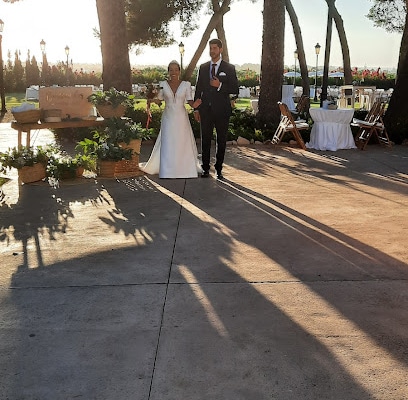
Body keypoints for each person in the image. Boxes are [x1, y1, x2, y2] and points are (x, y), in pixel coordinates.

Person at [139, 60, 202, 178]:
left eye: (176, 70)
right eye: (171, 70)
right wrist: (150, 98)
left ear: (179, 71)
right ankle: (167, 171)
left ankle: (185, 170)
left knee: (182, 141)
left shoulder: (186, 85)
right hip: (168, 116)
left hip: (181, 117)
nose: (173, 72)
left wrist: (196, 104)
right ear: (168, 71)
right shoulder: (163, 84)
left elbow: (190, 102)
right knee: (168, 141)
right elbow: (159, 100)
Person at [194, 38, 239, 179]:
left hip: (222, 110)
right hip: (205, 110)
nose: (212, 51)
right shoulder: (203, 67)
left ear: (220, 50)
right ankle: (205, 169)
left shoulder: (229, 68)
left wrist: (219, 85)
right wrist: (196, 109)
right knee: (205, 140)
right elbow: (198, 89)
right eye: (210, 48)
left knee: (221, 140)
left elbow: (235, 88)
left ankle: (219, 169)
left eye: (214, 48)